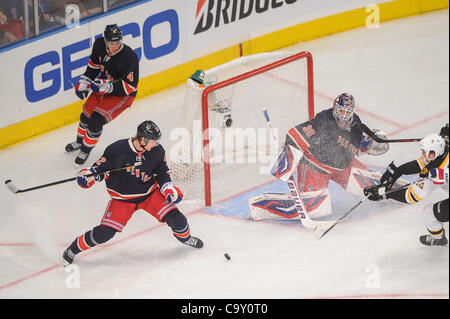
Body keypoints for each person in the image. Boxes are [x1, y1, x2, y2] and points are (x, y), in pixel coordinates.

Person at [62, 120, 204, 266]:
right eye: (153, 141)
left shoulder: (157, 151)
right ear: (143, 139)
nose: (156, 144)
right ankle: (73, 249)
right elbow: (98, 170)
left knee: (177, 219)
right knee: (105, 233)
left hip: (149, 194)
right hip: (122, 200)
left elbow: (161, 172)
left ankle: (186, 238)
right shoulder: (117, 150)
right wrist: (88, 176)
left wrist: (167, 186)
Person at [249, 93, 393, 220]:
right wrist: (287, 161)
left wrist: (368, 143)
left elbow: (354, 146)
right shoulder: (323, 121)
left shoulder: (356, 123)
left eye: (347, 111)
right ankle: (263, 207)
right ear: (335, 108)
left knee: (374, 186)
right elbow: (295, 134)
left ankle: (404, 191)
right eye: (341, 110)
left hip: (343, 167)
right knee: (317, 208)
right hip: (315, 167)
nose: (343, 115)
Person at [363, 123, 449, 246]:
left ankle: (439, 239)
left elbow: (411, 196)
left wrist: (386, 194)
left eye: (427, 153)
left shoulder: (437, 172)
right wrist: (398, 171)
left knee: (428, 213)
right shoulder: (440, 154)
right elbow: (421, 163)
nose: (424, 156)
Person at [66, 23, 139, 165]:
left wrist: (107, 87)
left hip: (122, 94)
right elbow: (93, 67)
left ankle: (85, 150)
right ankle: (79, 142)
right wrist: (84, 83)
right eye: (112, 43)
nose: (115, 46)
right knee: (85, 115)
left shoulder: (129, 57)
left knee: (96, 120)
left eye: (117, 42)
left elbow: (129, 86)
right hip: (103, 85)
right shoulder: (99, 44)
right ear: (106, 41)